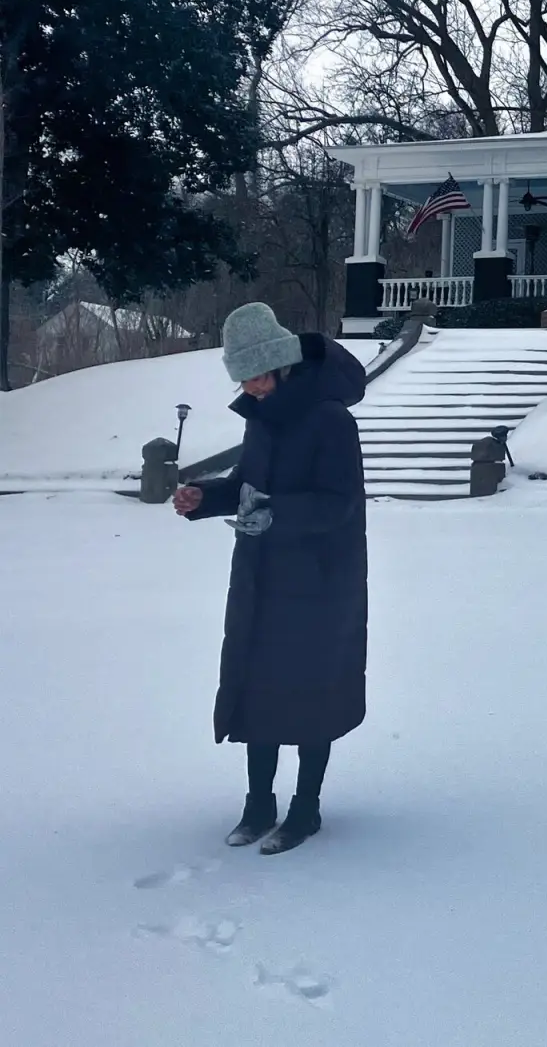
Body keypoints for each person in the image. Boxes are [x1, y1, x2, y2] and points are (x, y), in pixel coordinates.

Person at [174, 303, 369, 855]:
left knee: (310, 692)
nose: (250, 388)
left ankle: (305, 809)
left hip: (319, 582)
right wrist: (203, 499)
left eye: (256, 376)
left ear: (282, 366)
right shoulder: (262, 419)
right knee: (258, 686)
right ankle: (258, 805)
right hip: (261, 576)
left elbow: (338, 505)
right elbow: (246, 484)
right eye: (242, 379)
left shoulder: (331, 420)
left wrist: (274, 514)